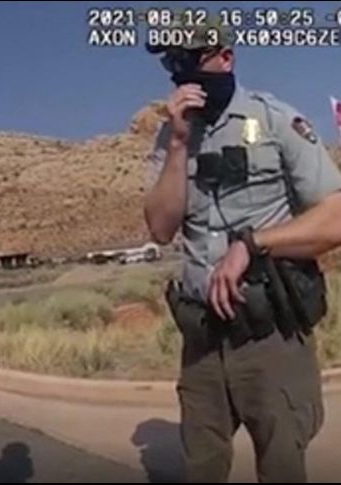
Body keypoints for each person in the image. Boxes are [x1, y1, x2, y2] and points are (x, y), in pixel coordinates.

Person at [144, 22, 341, 483]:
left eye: (190, 60)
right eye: (172, 64)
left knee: (281, 466)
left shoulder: (274, 120)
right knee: (202, 466)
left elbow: (335, 217)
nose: (181, 73)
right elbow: (160, 226)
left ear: (225, 58)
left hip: (269, 335)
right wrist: (176, 145)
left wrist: (252, 245)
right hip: (203, 341)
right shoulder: (169, 136)